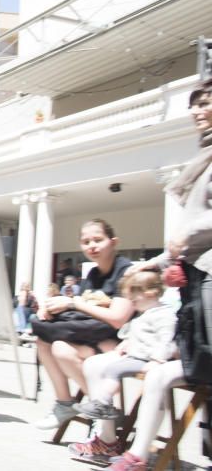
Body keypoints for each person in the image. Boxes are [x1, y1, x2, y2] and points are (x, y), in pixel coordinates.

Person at [95, 80, 212, 471]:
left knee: (201, 363)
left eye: (207, 103)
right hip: (197, 274)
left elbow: (197, 227)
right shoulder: (203, 158)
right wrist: (156, 261)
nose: (198, 111)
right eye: (195, 105)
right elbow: (188, 236)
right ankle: (136, 454)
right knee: (190, 366)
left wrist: (184, 238)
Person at [32, 219, 134, 438]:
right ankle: (68, 403)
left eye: (98, 240)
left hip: (123, 344)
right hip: (95, 337)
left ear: (113, 242)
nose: (92, 246)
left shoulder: (126, 272)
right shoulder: (93, 275)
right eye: (86, 241)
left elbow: (117, 318)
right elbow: (84, 312)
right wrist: (51, 310)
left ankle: (102, 409)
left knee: (60, 348)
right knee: (43, 340)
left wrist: (73, 303)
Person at [73, 272, 177, 425]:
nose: (131, 301)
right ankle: (103, 403)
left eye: (134, 297)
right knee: (110, 368)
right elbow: (137, 334)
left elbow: (166, 340)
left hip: (147, 358)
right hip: (138, 355)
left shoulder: (163, 315)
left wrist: (157, 360)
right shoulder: (145, 313)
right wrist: (126, 343)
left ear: (151, 293)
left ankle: (103, 403)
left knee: (113, 370)